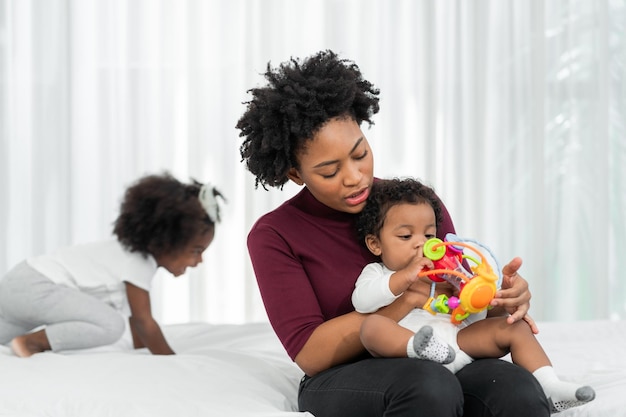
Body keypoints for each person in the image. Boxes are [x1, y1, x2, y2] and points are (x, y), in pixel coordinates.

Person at [236, 49, 550, 417]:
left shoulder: (416, 205)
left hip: (443, 352)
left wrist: (502, 302)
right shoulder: (275, 234)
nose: (354, 177)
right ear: (295, 174)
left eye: (360, 154)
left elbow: (456, 304)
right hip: (344, 374)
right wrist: (406, 300)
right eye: (329, 171)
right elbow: (311, 355)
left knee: (516, 387)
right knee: (428, 387)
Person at [352, 177, 595, 413]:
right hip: (408, 354)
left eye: (428, 236)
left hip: (458, 344)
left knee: (515, 326)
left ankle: (549, 386)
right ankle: (422, 348)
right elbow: (362, 301)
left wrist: (470, 292)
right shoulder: (378, 272)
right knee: (371, 327)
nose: (420, 244)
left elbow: (476, 320)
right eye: (406, 236)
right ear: (375, 244)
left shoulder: (446, 272)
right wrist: (404, 277)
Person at [0, 172, 225, 357]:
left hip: (18, 284)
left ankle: (21, 340)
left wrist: (139, 349)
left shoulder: (121, 257)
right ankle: (31, 343)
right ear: (166, 240)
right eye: (196, 251)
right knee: (111, 326)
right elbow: (143, 321)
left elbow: (136, 325)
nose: (200, 260)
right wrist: (172, 361)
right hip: (38, 287)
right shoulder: (139, 263)